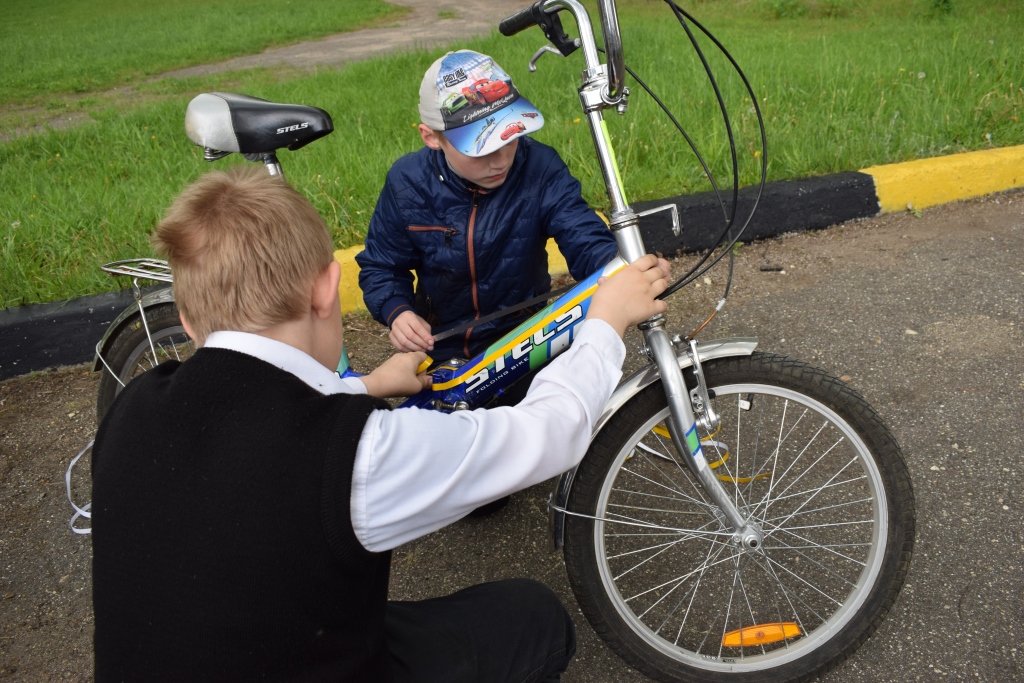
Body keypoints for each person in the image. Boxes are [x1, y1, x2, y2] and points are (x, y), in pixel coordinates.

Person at [90, 166, 669, 682]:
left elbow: (251, 423)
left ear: (188, 322)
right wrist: (604, 322)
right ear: (326, 290)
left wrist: (366, 384)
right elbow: (551, 433)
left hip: (215, 647)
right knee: (533, 618)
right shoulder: (358, 454)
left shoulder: (133, 407)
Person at [356, 49, 619, 362]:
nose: (500, 159)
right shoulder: (406, 183)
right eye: (480, 148)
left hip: (529, 338)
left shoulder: (540, 166)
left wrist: (615, 266)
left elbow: (581, 233)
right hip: (443, 349)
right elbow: (382, 265)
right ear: (432, 137)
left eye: (509, 137)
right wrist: (396, 311)